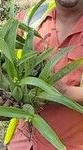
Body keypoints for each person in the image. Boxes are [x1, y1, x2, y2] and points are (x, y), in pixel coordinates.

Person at [7, 0, 83, 149]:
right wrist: (2, 105)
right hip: (22, 143)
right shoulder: (30, 18)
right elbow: (5, 68)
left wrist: (64, 93)